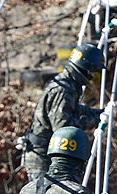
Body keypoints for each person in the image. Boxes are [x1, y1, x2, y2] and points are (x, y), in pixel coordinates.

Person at [18, 44, 107, 181]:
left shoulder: (69, 83)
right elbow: (62, 129)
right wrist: (91, 121)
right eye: (93, 71)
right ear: (86, 68)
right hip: (42, 155)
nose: (93, 75)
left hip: (47, 152)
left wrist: (98, 114)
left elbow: (72, 109)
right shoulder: (64, 89)